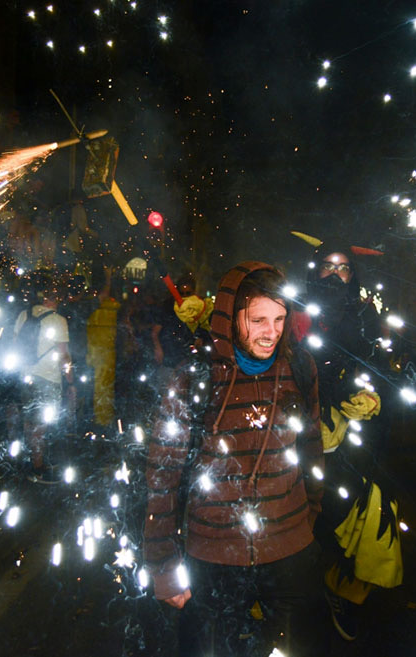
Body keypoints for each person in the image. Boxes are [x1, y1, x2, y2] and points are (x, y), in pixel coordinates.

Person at [144, 262, 323, 656]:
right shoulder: (197, 375)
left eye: (279, 318)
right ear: (229, 315)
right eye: (258, 319)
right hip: (213, 557)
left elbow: (311, 446)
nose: (271, 332)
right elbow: (163, 472)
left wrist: (307, 517)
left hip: (290, 555)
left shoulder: (299, 367)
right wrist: (162, 566)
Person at [290, 244, 402, 642]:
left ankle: (344, 588)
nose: (336, 275)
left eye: (344, 268)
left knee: (358, 508)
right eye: (327, 266)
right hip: (298, 428)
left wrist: (371, 394)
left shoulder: (365, 313)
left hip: (352, 433)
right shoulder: (293, 310)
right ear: (314, 270)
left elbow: (379, 365)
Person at [12, 274, 70, 481]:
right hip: (48, 378)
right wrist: (70, 381)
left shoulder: (23, 315)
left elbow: (15, 343)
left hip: (25, 376)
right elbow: (64, 355)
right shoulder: (59, 320)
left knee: (29, 421)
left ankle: (32, 459)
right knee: (42, 424)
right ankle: (37, 467)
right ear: (57, 299)